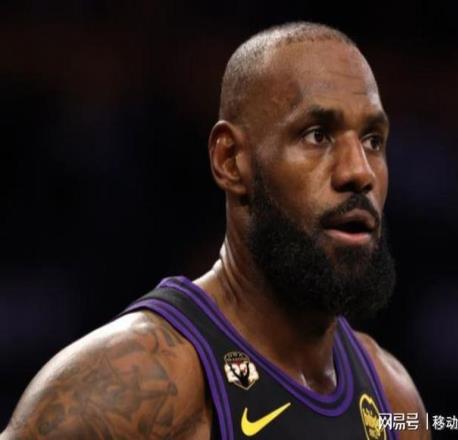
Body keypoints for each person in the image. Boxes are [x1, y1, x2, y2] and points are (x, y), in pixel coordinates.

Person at [1, 22, 430, 439]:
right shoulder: (130, 390)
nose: (359, 172)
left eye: (373, 140)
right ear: (230, 161)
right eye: (317, 135)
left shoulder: (394, 399)